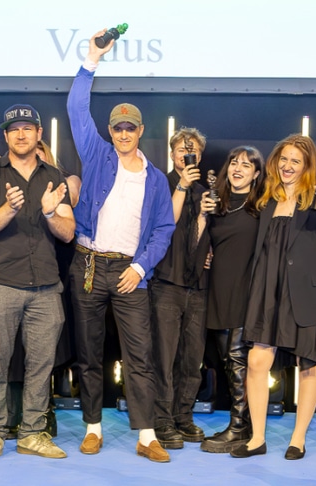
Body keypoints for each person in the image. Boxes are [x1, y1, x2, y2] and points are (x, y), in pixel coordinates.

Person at [67, 30, 176, 463]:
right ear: (110, 131)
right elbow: (76, 109)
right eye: (118, 127)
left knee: (140, 356)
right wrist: (91, 58)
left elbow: (163, 230)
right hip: (89, 265)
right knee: (89, 352)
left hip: (131, 272)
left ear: (141, 131)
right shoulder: (97, 154)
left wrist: (142, 267)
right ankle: (93, 428)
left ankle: (147, 435)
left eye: (131, 127)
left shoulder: (156, 179)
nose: (124, 133)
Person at [232, 134, 316, 460]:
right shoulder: (267, 199)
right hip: (268, 289)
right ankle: (257, 438)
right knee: (257, 361)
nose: (288, 166)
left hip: (308, 293)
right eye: (284, 159)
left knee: (307, 364)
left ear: (308, 166)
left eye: (296, 161)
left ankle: (298, 439)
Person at [0, 104, 74, 462]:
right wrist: (9, 209)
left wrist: (50, 212)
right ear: (5, 136)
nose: (21, 134)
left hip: (46, 287)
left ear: (39, 134)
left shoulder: (54, 177)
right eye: (14, 129)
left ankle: (32, 433)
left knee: (41, 365)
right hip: (1, 284)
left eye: (28, 128)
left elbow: (68, 231)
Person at [196, 146, 265, 453]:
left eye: (246, 165)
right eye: (234, 163)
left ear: (257, 174)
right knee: (228, 360)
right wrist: (202, 215)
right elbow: (200, 244)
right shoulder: (217, 204)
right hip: (219, 289)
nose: (238, 169)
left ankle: (239, 427)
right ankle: (242, 423)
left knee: (238, 359)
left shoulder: (262, 206)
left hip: (247, 290)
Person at [148, 127, 209, 450]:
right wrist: (183, 186)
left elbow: (210, 235)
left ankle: (183, 415)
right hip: (166, 283)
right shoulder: (159, 184)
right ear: (172, 154)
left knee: (192, 358)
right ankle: (161, 419)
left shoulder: (206, 192)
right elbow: (164, 227)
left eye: (193, 150)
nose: (188, 155)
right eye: (182, 150)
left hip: (197, 286)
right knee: (164, 357)